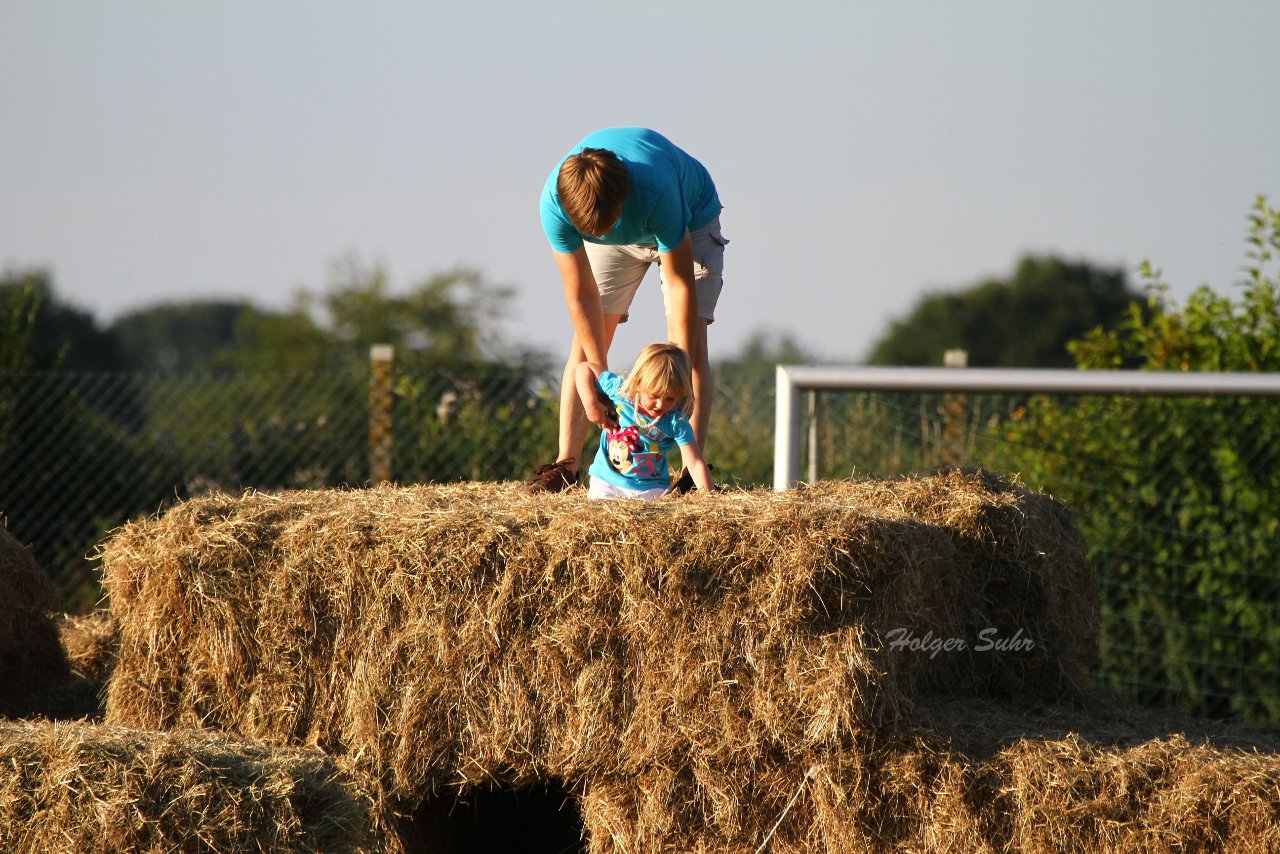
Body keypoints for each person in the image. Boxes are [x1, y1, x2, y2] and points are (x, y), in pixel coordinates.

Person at [525, 127, 727, 493]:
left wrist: (676, 373)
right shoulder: (556, 205)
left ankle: (689, 477)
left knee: (691, 351)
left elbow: (681, 285)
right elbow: (580, 293)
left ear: (621, 199)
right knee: (583, 347)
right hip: (608, 222)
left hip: (687, 222)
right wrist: (599, 374)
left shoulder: (657, 191)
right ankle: (565, 467)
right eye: (592, 231)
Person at [575, 343, 715, 500]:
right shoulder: (621, 392)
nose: (661, 404)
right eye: (654, 395)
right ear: (638, 382)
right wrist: (591, 405)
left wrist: (711, 500)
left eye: (670, 398)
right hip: (607, 480)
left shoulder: (676, 421)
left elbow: (695, 463)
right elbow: (584, 368)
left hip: (651, 488)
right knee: (599, 516)